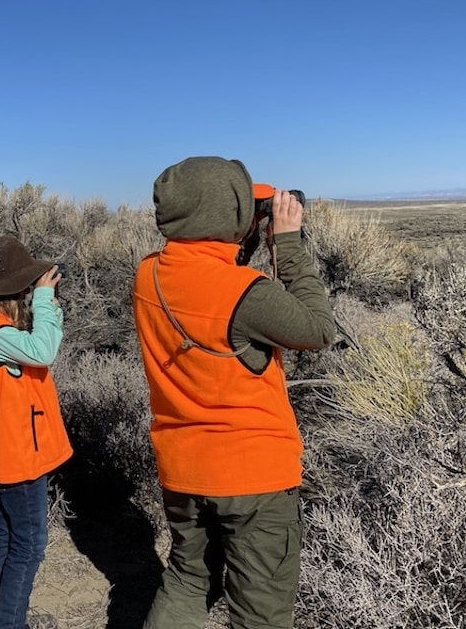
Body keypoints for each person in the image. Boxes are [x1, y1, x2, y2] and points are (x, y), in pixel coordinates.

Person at [131, 156, 336, 629]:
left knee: (186, 580)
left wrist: (238, 241)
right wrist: (286, 243)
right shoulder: (248, 293)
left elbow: (206, 281)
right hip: (252, 477)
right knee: (258, 613)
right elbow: (318, 330)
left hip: (182, 469)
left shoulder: (148, 276)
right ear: (230, 215)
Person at [0, 236, 73, 629]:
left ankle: (2, 616)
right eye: (23, 283)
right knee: (29, 544)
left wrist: (43, 301)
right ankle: (9, 623)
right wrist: (43, 300)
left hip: (11, 445)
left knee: (5, 533)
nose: (29, 287)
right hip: (16, 452)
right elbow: (43, 351)